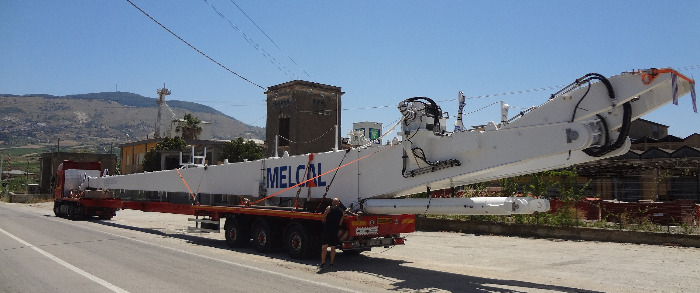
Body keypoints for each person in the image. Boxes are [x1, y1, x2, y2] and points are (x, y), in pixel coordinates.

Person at [319, 197, 347, 269]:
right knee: (333, 248)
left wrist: (325, 222)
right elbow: (340, 223)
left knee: (324, 247)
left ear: (332, 203)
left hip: (327, 229)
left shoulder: (329, 208)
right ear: (339, 203)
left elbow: (323, 218)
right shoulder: (341, 211)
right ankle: (331, 263)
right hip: (335, 230)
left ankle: (323, 263)